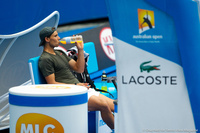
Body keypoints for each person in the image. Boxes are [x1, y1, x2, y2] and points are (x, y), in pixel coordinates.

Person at [38, 27, 114, 130]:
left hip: (81, 89)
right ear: (47, 39)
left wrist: (80, 49)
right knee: (103, 105)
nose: (59, 38)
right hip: (70, 94)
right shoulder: (45, 59)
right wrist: (75, 86)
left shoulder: (60, 53)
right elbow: (52, 84)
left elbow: (79, 69)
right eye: (55, 36)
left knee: (115, 106)